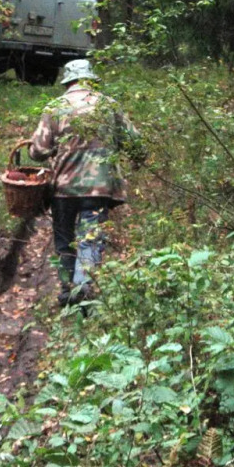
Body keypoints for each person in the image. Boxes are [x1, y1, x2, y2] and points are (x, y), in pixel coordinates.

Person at [29, 59, 144, 307]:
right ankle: (83, 287)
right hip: (100, 187)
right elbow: (135, 143)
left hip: (63, 188)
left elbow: (38, 151)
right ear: (91, 80)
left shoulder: (55, 107)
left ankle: (66, 288)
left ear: (68, 81)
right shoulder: (108, 106)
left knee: (63, 239)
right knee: (90, 238)